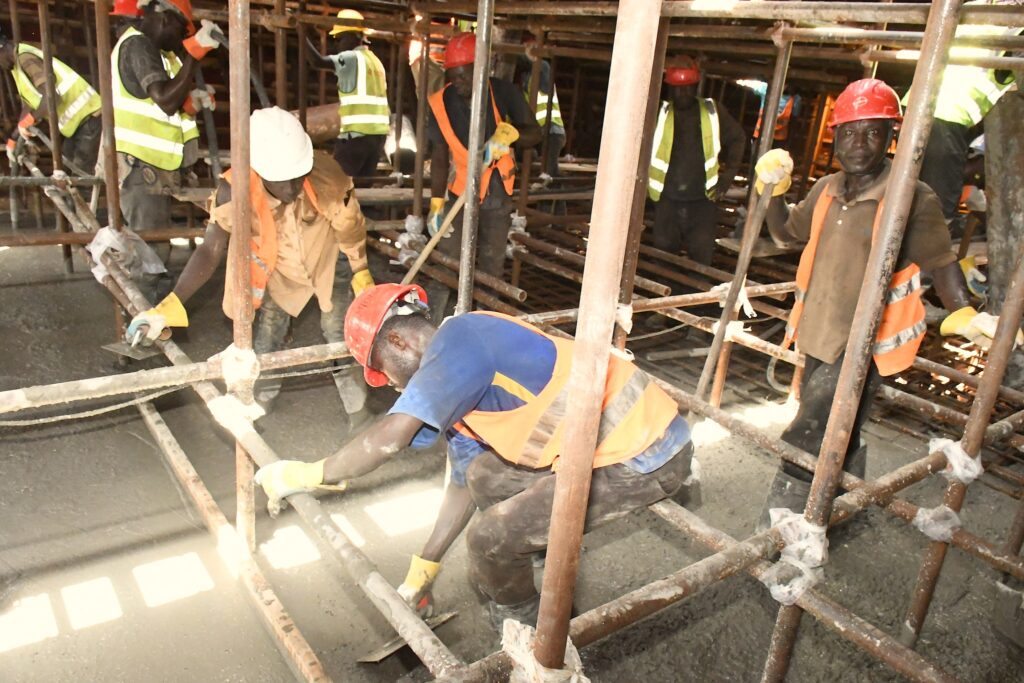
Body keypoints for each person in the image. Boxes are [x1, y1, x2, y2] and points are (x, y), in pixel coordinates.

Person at [253, 283, 697, 630]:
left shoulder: (465, 339)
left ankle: (528, 634)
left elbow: (392, 434)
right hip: (603, 447)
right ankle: (536, 551)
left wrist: (311, 473)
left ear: (398, 342)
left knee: (488, 542)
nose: (389, 384)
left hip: (646, 454)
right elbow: (464, 483)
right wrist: (425, 567)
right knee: (485, 476)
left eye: (381, 369)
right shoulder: (462, 382)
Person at [752, 78, 1016, 527]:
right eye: (850, 132)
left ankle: (783, 526)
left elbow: (941, 260)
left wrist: (963, 311)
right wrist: (771, 191)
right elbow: (782, 233)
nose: (859, 143)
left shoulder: (910, 196)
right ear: (836, 136)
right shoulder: (827, 189)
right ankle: (845, 513)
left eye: (873, 132)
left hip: (865, 341)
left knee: (810, 429)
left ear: (892, 137)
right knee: (842, 427)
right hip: (818, 332)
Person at [126, 108, 376, 428]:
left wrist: (360, 270)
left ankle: (358, 412)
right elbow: (210, 249)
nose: (291, 187)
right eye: (280, 179)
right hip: (279, 269)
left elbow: (350, 228)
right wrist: (170, 306)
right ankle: (261, 399)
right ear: (257, 169)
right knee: (268, 335)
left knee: (340, 333)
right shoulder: (236, 188)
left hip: (326, 258)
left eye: (297, 176)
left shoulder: (328, 176)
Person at [111, 0, 221, 301]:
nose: (180, 36)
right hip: (140, 168)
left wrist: (190, 101)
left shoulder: (151, 50)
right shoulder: (139, 45)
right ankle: (144, 327)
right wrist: (193, 53)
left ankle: (152, 320)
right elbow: (164, 100)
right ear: (161, 15)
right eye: (180, 28)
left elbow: (164, 104)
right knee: (148, 255)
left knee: (154, 249)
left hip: (151, 167)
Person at [425, 32, 541, 313]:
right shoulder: (440, 103)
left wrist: (510, 135)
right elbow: (439, 156)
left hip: (498, 191)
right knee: (448, 257)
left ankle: (485, 319)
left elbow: (535, 134)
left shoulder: (502, 92)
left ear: (481, 69)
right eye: (454, 76)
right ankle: (438, 320)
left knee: (491, 264)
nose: (458, 83)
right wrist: (436, 202)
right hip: (460, 190)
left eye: (464, 76)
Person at [907, 6, 1021, 239]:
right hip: (950, 113)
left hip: (919, 102)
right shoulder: (1017, 27)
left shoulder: (974, 7)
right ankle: (924, 270)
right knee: (937, 216)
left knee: (910, 194)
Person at [647, 59, 745, 266]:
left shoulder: (712, 111)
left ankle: (696, 297)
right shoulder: (659, 113)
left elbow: (738, 138)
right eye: (677, 89)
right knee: (663, 259)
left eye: (687, 88)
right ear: (670, 89)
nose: (682, 94)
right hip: (667, 200)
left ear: (695, 86)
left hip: (702, 201)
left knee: (700, 259)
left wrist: (727, 177)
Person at [305, 9, 389, 184]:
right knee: (362, 189)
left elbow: (316, 62)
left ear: (355, 36)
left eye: (340, 38)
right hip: (377, 137)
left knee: (337, 186)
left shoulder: (351, 58)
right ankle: (369, 213)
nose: (337, 45)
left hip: (357, 136)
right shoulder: (375, 61)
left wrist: (300, 34)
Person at [0, 31, 102, 174]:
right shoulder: (17, 67)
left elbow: (52, 97)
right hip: (78, 126)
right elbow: (31, 104)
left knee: (80, 177)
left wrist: (29, 120)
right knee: (65, 172)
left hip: (90, 118)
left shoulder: (26, 59)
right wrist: (14, 138)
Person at [516, 51, 566, 179]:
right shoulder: (526, 79)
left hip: (553, 130)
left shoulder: (541, 69)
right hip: (540, 132)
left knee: (549, 172)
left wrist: (532, 57)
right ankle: (555, 194)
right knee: (546, 171)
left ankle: (555, 194)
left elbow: (542, 66)